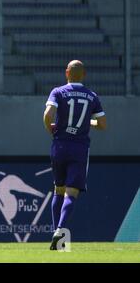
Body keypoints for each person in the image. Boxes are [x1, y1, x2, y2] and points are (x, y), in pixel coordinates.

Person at [43, 60, 107, 250]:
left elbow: (48, 115)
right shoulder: (92, 96)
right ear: (84, 74)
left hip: (60, 145)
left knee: (58, 190)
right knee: (72, 192)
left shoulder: (58, 91)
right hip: (79, 148)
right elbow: (103, 124)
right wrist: (89, 124)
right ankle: (60, 230)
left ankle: (57, 236)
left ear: (67, 73)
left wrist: (51, 129)